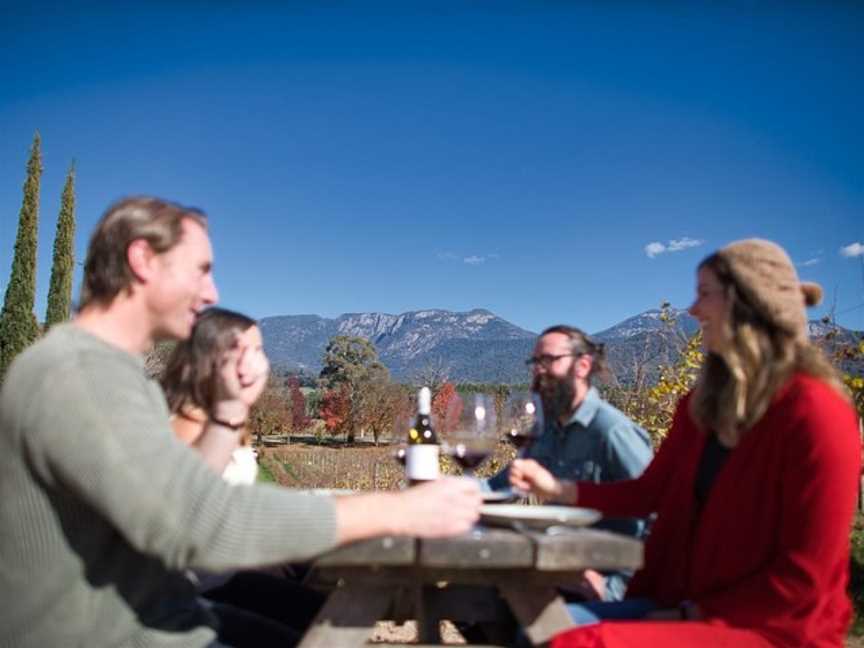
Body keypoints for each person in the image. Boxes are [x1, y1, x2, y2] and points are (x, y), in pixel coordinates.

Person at [0, 196, 481, 648]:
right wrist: (397, 511)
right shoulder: (79, 374)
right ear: (143, 259)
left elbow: (186, 492)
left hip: (149, 616)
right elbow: (196, 521)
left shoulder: (107, 372)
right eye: (202, 270)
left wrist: (230, 411)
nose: (212, 292)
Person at [510, 239, 861, 648]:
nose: (692, 310)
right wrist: (556, 489)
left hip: (772, 625)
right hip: (682, 602)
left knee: (574, 642)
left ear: (747, 302)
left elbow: (804, 580)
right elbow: (649, 492)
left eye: (704, 294)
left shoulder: (818, 414)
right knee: (538, 629)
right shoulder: (701, 408)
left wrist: (686, 615)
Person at [161, 306, 326, 641]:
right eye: (243, 352)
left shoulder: (223, 418)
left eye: (259, 350)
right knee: (322, 620)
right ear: (209, 358)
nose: (256, 362)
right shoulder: (181, 426)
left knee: (324, 597)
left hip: (230, 563)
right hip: (200, 583)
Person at [486, 325, 653, 602]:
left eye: (548, 360)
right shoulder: (549, 431)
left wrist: (614, 588)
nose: (538, 370)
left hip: (601, 589)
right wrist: (438, 487)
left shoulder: (612, 432)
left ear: (582, 366)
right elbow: (499, 487)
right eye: (535, 362)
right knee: (475, 597)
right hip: (555, 571)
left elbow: (659, 517)